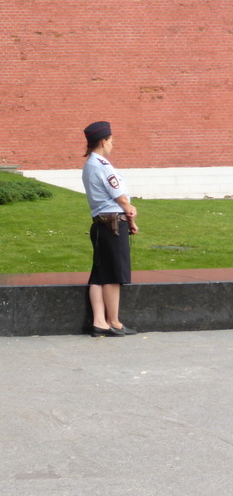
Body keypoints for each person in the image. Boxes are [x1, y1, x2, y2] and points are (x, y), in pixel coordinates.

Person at [81, 121, 139, 337]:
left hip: (100, 223)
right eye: (111, 141)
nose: (112, 145)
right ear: (103, 141)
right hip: (114, 223)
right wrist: (130, 211)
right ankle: (113, 321)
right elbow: (120, 196)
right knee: (113, 275)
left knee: (99, 274)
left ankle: (99, 322)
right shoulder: (103, 166)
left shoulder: (89, 165)